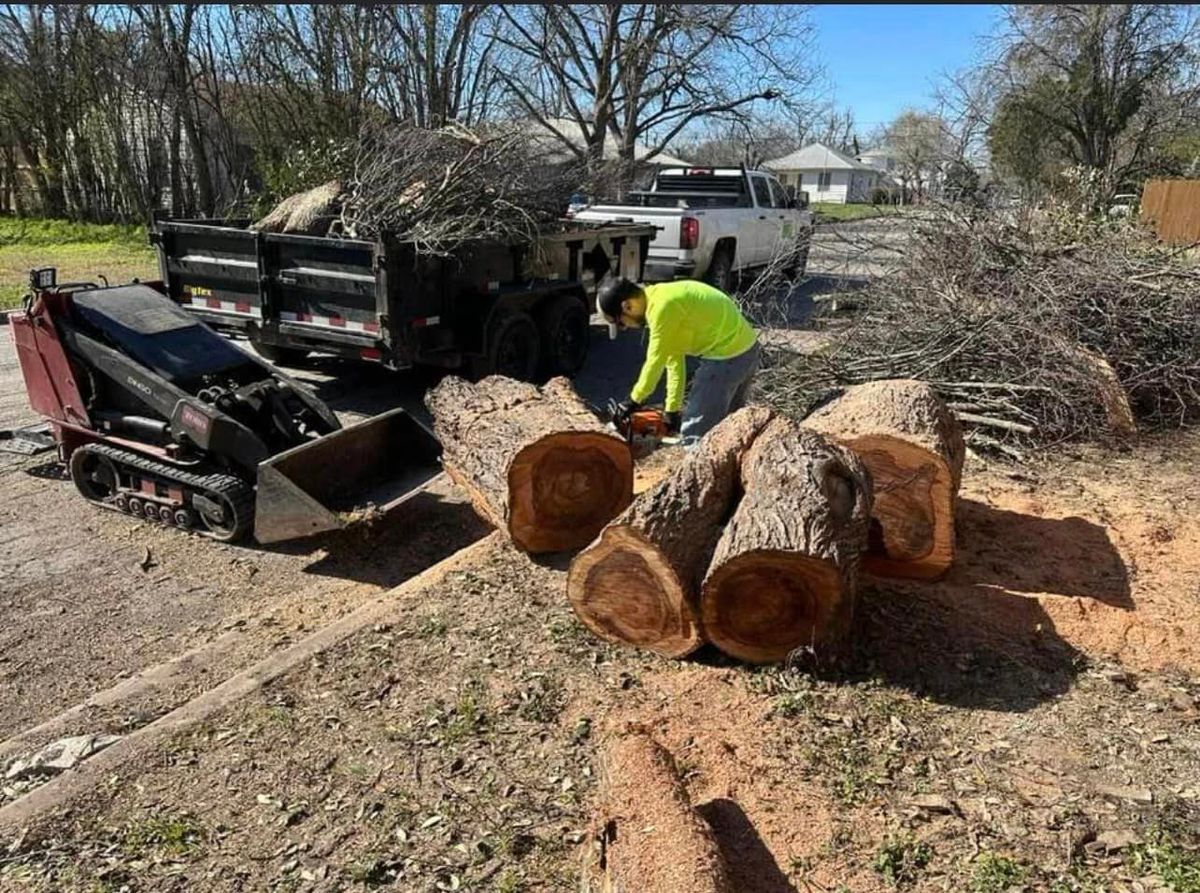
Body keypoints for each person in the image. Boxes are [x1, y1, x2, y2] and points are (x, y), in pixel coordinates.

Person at [596, 276, 760, 445]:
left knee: (695, 432)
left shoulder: (662, 308)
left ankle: (695, 467)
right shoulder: (660, 297)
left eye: (621, 323)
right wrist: (671, 410)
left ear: (627, 306)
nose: (625, 327)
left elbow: (655, 361)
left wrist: (633, 401)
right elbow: (674, 361)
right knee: (730, 428)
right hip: (746, 349)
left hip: (728, 356)